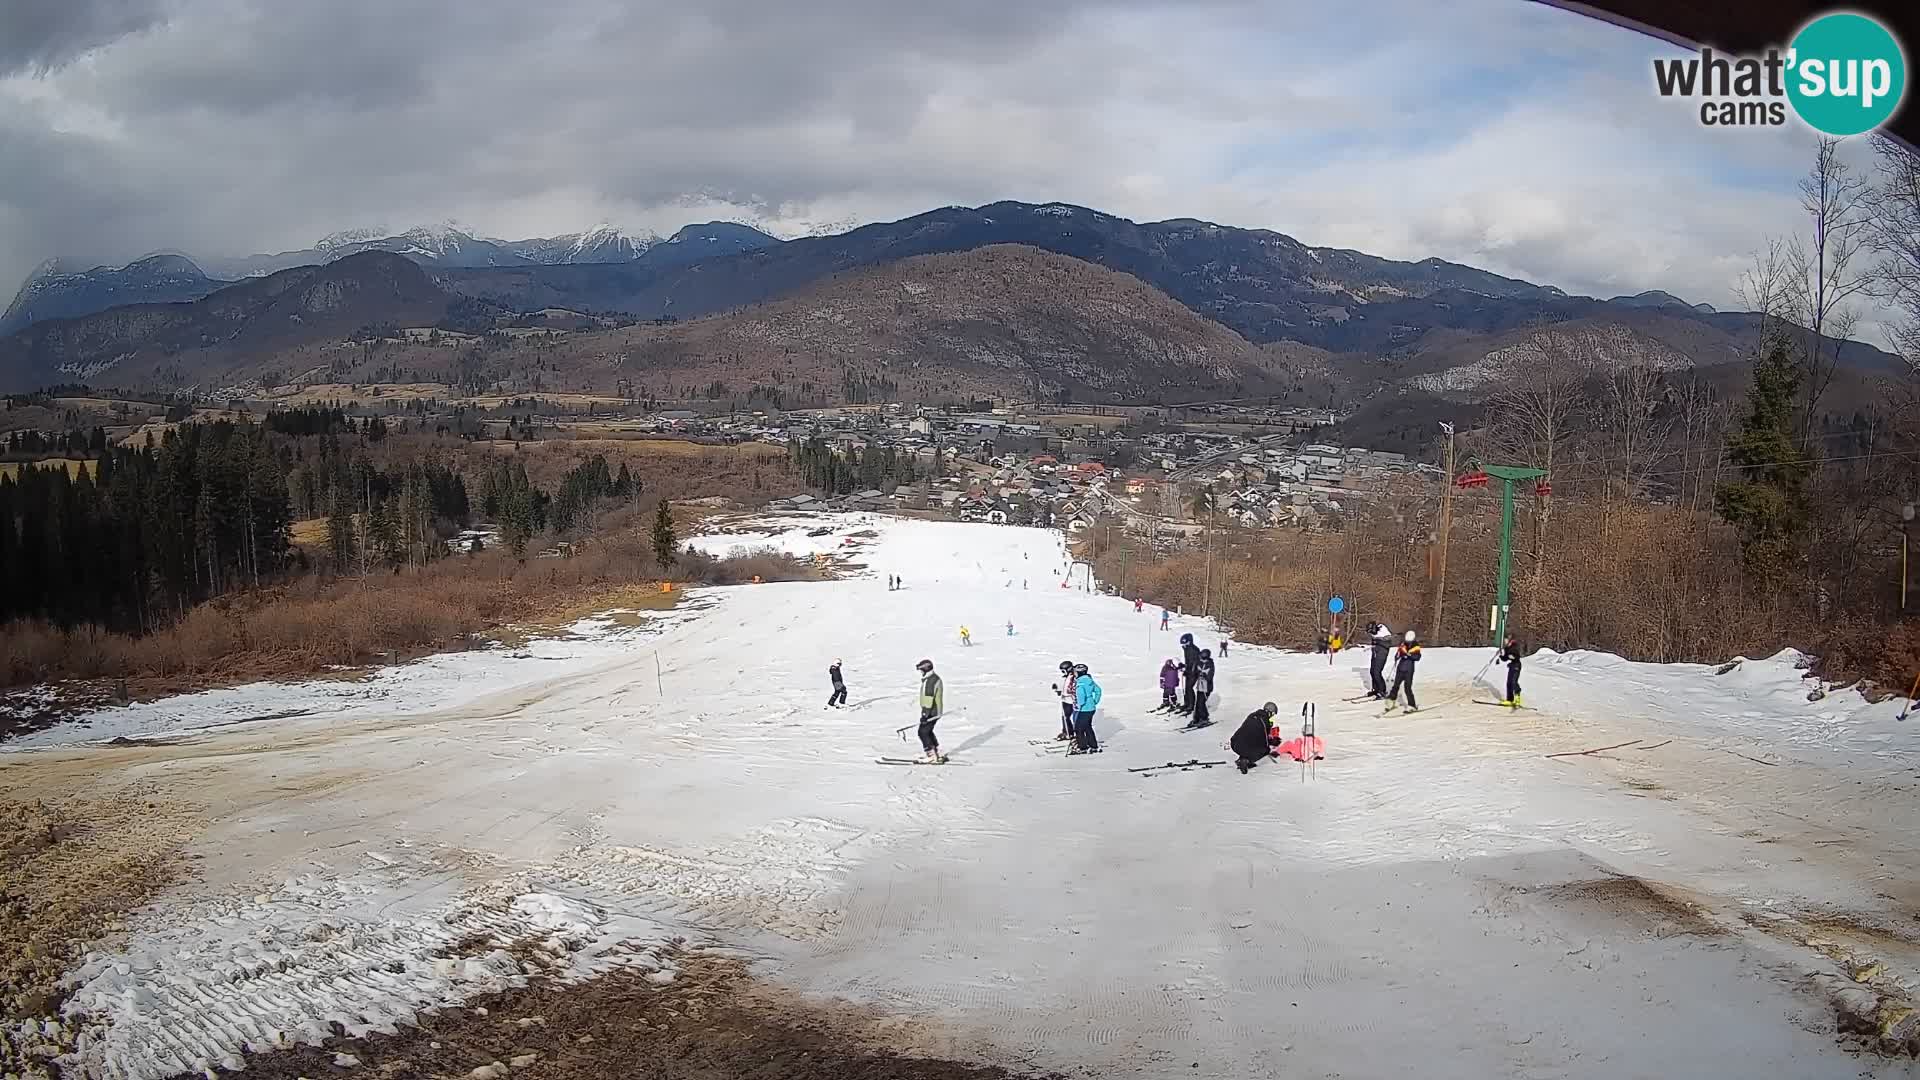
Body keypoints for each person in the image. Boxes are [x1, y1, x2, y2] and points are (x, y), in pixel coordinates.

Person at [1231, 702, 1281, 773]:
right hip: (1244, 747)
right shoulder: (1265, 721)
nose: (1272, 716)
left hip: (1234, 743)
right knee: (1265, 750)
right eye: (1272, 714)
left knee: (1249, 743)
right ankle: (1247, 761)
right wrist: (1272, 742)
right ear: (1269, 712)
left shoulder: (1253, 715)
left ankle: (1241, 759)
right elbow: (1265, 742)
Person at [915, 659, 945, 763]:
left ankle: (931, 755)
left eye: (921, 670)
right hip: (935, 711)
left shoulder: (930, 681)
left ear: (925, 669)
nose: (921, 672)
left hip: (931, 711)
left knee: (922, 732)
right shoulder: (933, 678)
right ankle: (938, 752)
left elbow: (928, 699)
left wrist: (925, 714)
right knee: (928, 731)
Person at [1070, 663, 1102, 753]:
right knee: (1087, 727)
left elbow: (1081, 698)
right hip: (1091, 708)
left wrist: (1078, 705)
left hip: (1084, 709)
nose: (1074, 674)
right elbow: (1098, 690)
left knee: (1078, 728)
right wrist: (1095, 701)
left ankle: (1082, 747)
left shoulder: (1080, 684)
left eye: (1075, 672)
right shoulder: (1089, 680)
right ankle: (1093, 745)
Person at [1387, 629, 1421, 711]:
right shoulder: (1403, 645)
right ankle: (1391, 702)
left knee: (1407, 688)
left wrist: (1409, 655)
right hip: (1400, 668)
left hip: (1409, 670)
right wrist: (1397, 656)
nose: (1408, 642)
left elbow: (1417, 657)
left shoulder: (1416, 646)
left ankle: (1412, 705)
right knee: (1395, 686)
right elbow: (1398, 654)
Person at [1185, 649, 1215, 728]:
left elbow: (1210, 676)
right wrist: (1187, 673)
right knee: (1198, 703)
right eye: (1201, 655)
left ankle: (1204, 718)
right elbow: (1194, 673)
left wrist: (1205, 676)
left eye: (1203, 656)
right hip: (1200, 686)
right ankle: (1197, 718)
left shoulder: (1210, 664)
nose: (1201, 657)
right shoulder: (1199, 663)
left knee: (1201, 703)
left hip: (1207, 688)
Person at [1367, 621, 1393, 699]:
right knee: (1372, 671)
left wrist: (1378, 640)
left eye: (1371, 631)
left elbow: (1387, 642)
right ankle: (1376, 689)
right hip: (1375, 653)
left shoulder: (1383, 631)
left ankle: (1382, 691)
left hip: (1382, 654)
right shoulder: (1374, 635)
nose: (1370, 634)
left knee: (1377, 672)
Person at [1177, 633, 1202, 714]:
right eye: (1183, 644)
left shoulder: (1195, 650)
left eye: (1186, 643)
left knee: (1190, 688)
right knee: (1186, 688)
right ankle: (1186, 703)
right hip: (1189, 671)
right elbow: (1188, 661)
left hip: (1194, 672)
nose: (1184, 645)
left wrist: (1192, 671)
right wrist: (1184, 666)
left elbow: (1196, 662)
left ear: (1190, 641)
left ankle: (1191, 705)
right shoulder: (1186, 649)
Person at [1498, 634, 1524, 706]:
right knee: (1509, 683)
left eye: (1506, 640)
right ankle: (1509, 700)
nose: (1505, 642)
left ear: (1509, 640)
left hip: (1516, 665)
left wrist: (1513, 656)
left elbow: (1517, 656)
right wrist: (1501, 656)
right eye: (1504, 641)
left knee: (1513, 682)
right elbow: (1505, 658)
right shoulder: (1507, 648)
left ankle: (1517, 698)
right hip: (1512, 665)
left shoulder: (1514, 646)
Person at [1054, 660, 1078, 740]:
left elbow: (1069, 689)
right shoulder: (1068, 677)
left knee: (1067, 717)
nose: (1063, 673)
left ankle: (1069, 733)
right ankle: (1069, 732)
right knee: (1067, 717)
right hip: (1068, 700)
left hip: (1069, 701)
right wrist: (1058, 689)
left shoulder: (1073, 678)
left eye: (1063, 671)